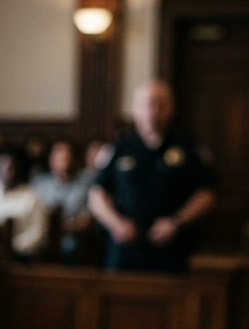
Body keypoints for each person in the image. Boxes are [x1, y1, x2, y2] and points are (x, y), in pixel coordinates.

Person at [88, 80, 216, 272]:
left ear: (171, 108)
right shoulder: (119, 147)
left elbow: (207, 193)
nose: (153, 111)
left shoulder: (189, 146)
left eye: (160, 104)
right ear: (135, 109)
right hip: (126, 247)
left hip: (172, 247)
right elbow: (97, 193)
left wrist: (177, 221)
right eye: (147, 103)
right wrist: (116, 223)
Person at [0, 147, 48, 258]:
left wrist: (11, 246)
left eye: (10, 168)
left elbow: (39, 234)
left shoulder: (31, 197)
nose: (6, 173)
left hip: (19, 256)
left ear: (18, 169)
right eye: (1, 168)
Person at [31, 140, 91, 260]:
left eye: (68, 156)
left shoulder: (85, 184)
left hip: (70, 236)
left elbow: (87, 220)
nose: (65, 160)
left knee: (70, 247)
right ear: (51, 160)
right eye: (60, 157)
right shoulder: (39, 184)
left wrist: (61, 227)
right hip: (41, 233)